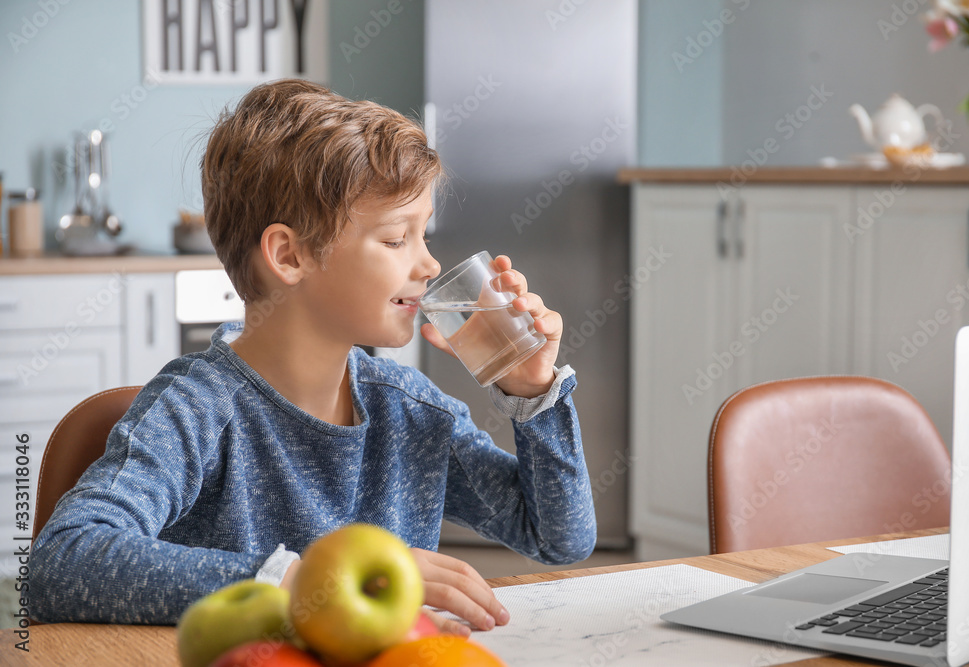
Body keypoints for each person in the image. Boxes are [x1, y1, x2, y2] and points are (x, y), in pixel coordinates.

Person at [31, 79, 596, 635]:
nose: (427, 266)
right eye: (397, 239)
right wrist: (303, 584)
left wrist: (532, 392)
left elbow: (558, 538)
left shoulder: (413, 413)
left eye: (424, 235)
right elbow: (62, 563)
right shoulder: (196, 410)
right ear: (289, 255)